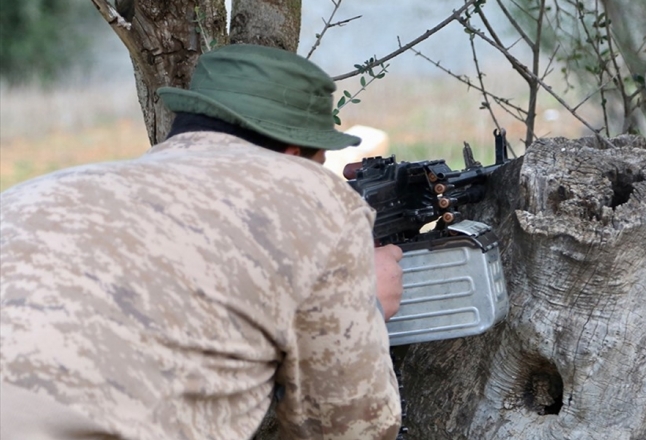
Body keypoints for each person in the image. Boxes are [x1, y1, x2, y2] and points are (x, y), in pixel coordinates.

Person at [0, 44, 402, 439]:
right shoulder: (313, 196)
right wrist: (367, 308)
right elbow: (350, 428)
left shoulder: (33, 195)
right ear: (295, 153)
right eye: (319, 162)